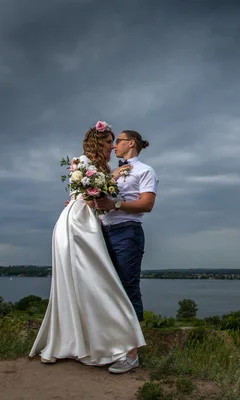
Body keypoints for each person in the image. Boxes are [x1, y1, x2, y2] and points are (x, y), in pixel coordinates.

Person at [29, 122, 146, 368]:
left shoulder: (104, 167)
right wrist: (85, 195)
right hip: (78, 224)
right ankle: (93, 342)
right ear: (98, 142)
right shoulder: (82, 161)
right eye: (108, 143)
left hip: (88, 222)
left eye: (115, 142)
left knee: (92, 281)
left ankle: (102, 342)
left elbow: (94, 195)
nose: (112, 147)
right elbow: (85, 194)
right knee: (94, 280)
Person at [94, 129, 158, 374]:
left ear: (130, 143)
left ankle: (131, 355)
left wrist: (115, 204)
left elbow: (147, 204)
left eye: (117, 141)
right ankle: (112, 348)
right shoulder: (112, 172)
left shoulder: (145, 171)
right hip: (104, 232)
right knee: (108, 289)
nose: (113, 146)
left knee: (128, 287)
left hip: (127, 233)